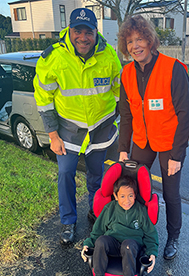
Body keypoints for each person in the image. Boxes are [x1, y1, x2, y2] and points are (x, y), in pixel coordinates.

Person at [34, 8, 122, 244]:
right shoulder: (53, 58)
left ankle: (95, 211)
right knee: (65, 174)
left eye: (88, 32)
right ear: (69, 30)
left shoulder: (109, 55)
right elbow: (43, 99)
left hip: (100, 128)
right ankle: (68, 221)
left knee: (96, 176)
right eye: (78, 31)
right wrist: (52, 135)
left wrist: (115, 120)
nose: (83, 37)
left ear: (96, 33)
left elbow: (119, 91)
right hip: (68, 131)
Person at [116, 16, 189, 260]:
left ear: (150, 41)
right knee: (134, 187)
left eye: (139, 39)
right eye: (129, 41)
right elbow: (126, 115)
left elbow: (186, 115)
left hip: (170, 143)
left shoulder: (173, 69)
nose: (135, 46)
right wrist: (123, 149)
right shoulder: (127, 73)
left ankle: (173, 236)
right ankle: (136, 230)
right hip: (141, 141)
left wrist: (177, 156)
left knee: (170, 193)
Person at [81, 175, 158, 276]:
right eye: (122, 196)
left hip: (131, 246)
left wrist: (152, 253)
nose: (127, 200)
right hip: (113, 244)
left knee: (128, 245)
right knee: (101, 240)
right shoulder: (109, 208)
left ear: (135, 195)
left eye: (130, 196)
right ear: (116, 196)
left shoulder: (140, 211)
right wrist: (87, 244)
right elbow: (97, 231)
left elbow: (150, 234)